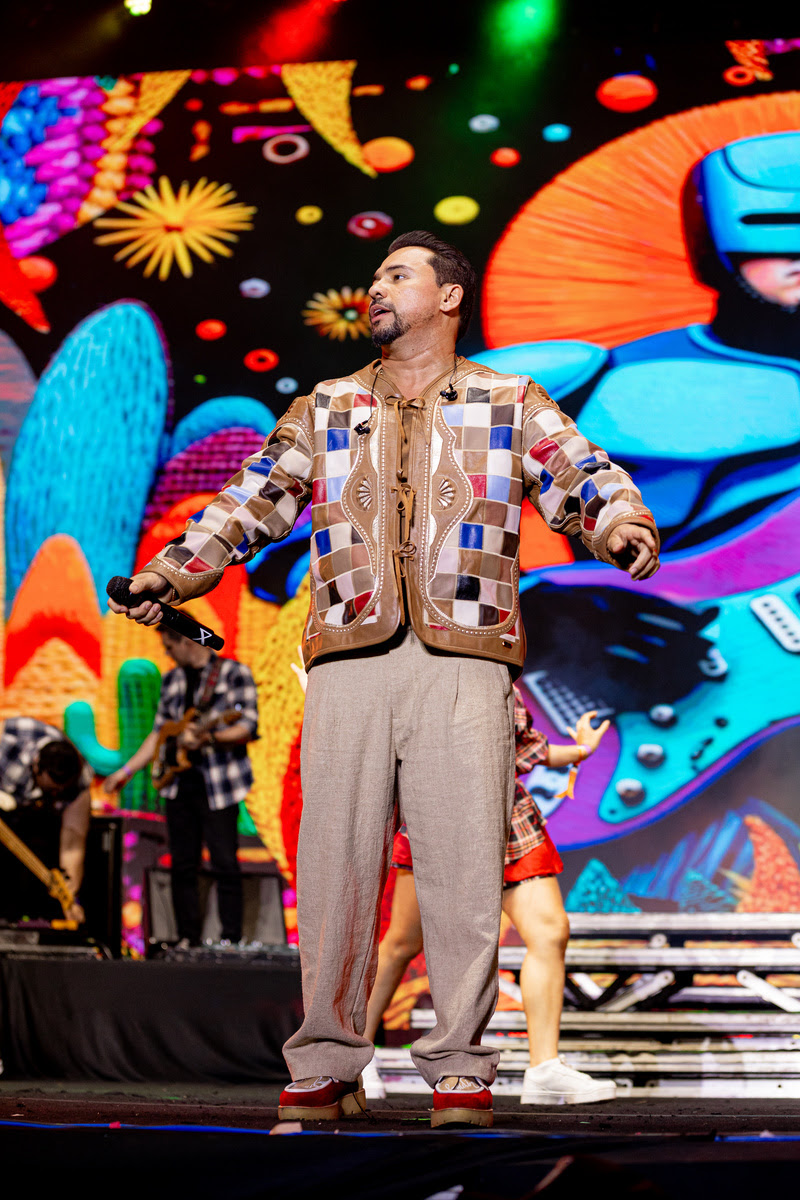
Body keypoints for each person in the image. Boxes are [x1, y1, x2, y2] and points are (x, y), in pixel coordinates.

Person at [109, 230, 659, 1127]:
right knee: (333, 867)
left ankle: (460, 1069)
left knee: (464, 874)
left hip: (466, 658)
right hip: (350, 658)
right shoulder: (327, 406)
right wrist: (171, 574)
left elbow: (580, 472)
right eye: (373, 276)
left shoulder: (508, 399)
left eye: (396, 275)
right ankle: (326, 1064)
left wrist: (618, 525)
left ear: (448, 296)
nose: (375, 288)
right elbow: (250, 501)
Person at [361, 688, 614, 1105]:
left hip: (506, 816)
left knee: (550, 932)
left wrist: (582, 750)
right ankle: (355, 1055)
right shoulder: (418, 672)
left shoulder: (502, 678)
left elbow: (528, 749)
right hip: (438, 815)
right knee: (403, 942)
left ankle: (545, 1069)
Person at [104, 627, 258, 948]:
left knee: (224, 862)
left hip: (219, 785)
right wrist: (126, 772)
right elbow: (159, 733)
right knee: (182, 865)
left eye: (169, 646)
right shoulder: (171, 680)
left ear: (187, 641)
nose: (167, 653)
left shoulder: (233, 673)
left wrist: (209, 737)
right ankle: (188, 939)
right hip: (178, 786)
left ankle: (231, 940)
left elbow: (247, 725)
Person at [0, 717, 91, 924]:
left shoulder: (80, 778)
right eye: (51, 789)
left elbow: (73, 836)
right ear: (36, 767)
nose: (56, 794)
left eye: (61, 791)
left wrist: (69, 896)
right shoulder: (11, 741)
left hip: (33, 823)